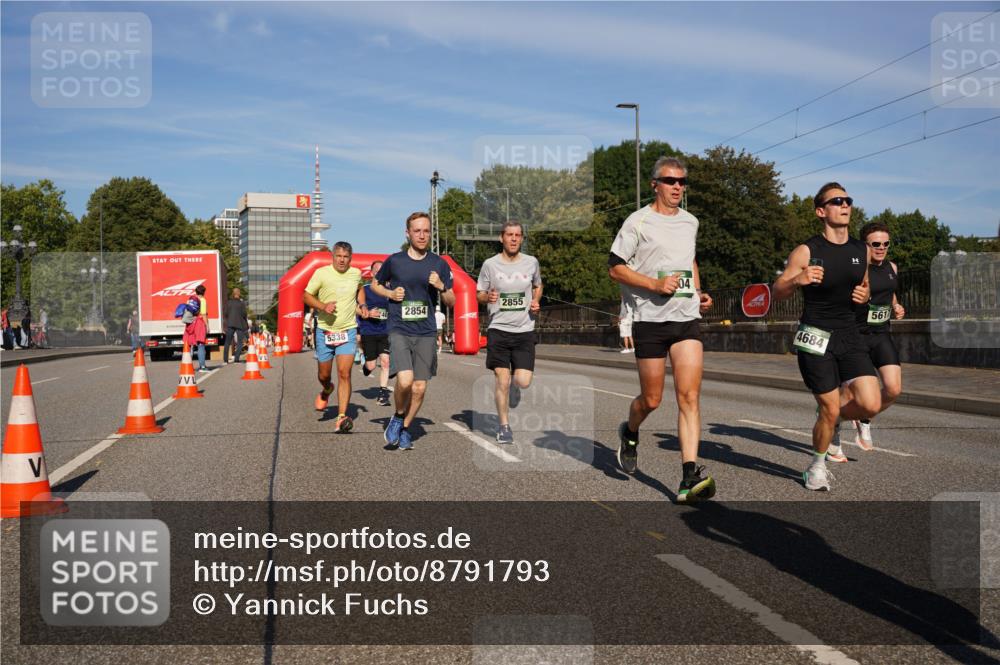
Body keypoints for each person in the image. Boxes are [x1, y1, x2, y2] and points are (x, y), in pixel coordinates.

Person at [608, 156, 716, 503]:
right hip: (650, 321)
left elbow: (690, 260)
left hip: (686, 319)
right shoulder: (637, 222)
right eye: (671, 181)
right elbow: (615, 269)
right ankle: (631, 430)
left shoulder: (691, 222)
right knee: (652, 399)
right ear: (655, 183)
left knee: (689, 397)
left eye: (683, 182)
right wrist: (654, 285)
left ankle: (688, 475)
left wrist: (698, 293)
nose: (677, 188)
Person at [773, 182, 881, 490]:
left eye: (847, 199)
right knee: (830, 407)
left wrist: (864, 295)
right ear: (822, 211)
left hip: (849, 333)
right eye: (837, 201)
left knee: (871, 404)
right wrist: (799, 278)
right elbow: (777, 291)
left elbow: (864, 286)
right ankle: (816, 466)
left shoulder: (861, 249)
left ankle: (830, 418)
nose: (845, 205)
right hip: (815, 334)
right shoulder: (807, 250)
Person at [372, 212, 455, 450]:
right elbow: (375, 283)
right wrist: (389, 294)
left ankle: (405, 427)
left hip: (426, 332)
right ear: (407, 233)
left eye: (426, 231)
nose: (422, 235)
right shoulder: (395, 261)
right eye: (417, 231)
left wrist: (441, 286)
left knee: (420, 387)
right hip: (399, 328)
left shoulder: (439, 263)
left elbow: (452, 301)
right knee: (405, 381)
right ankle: (398, 415)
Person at [476, 221, 543, 443]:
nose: (513, 239)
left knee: (522, 381)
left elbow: (538, 285)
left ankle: (516, 386)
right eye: (509, 235)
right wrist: (488, 297)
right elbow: (479, 294)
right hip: (499, 329)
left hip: (524, 329)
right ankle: (504, 425)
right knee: (501, 379)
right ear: (501, 238)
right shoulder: (490, 265)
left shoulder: (531, 262)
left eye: (517, 235)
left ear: (522, 239)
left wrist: (535, 300)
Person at [849, 221, 905, 449]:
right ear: (865, 245)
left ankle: (864, 419)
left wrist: (896, 306)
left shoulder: (892, 267)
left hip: (882, 334)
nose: (881, 248)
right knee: (856, 392)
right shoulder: (856, 269)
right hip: (857, 335)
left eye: (885, 243)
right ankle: (833, 420)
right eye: (876, 244)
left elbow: (890, 293)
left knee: (893, 389)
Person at [303, 241, 366, 434]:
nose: (342, 260)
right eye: (338, 256)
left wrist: (362, 305)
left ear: (350, 258)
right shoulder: (321, 273)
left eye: (346, 257)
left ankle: (341, 416)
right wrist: (323, 306)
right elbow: (306, 295)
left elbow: (359, 289)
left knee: (344, 373)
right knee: (324, 375)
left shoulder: (355, 273)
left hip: (347, 330)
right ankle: (327, 389)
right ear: (333, 256)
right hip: (324, 331)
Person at [358, 260, 393, 407]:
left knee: (386, 362)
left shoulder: (389, 290)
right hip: (369, 331)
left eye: (382, 270)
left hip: (385, 331)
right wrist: (367, 312)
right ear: (372, 273)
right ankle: (366, 366)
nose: (379, 273)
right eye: (376, 270)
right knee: (372, 366)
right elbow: (354, 308)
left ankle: (383, 393)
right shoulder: (364, 289)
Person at [182, 285, 209, 371]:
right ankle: (202, 366)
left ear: (196, 291)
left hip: (190, 323)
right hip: (199, 323)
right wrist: (207, 326)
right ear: (203, 292)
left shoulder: (190, 300)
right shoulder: (203, 300)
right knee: (201, 344)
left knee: (190, 345)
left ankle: (188, 366)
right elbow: (204, 314)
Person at [223, 288, 249, 364]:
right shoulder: (241, 303)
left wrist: (230, 318)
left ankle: (225, 360)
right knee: (240, 342)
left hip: (230, 324)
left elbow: (225, 313)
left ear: (233, 294)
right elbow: (244, 314)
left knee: (227, 342)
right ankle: (236, 359)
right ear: (239, 294)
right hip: (239, 324)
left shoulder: (228, 302)